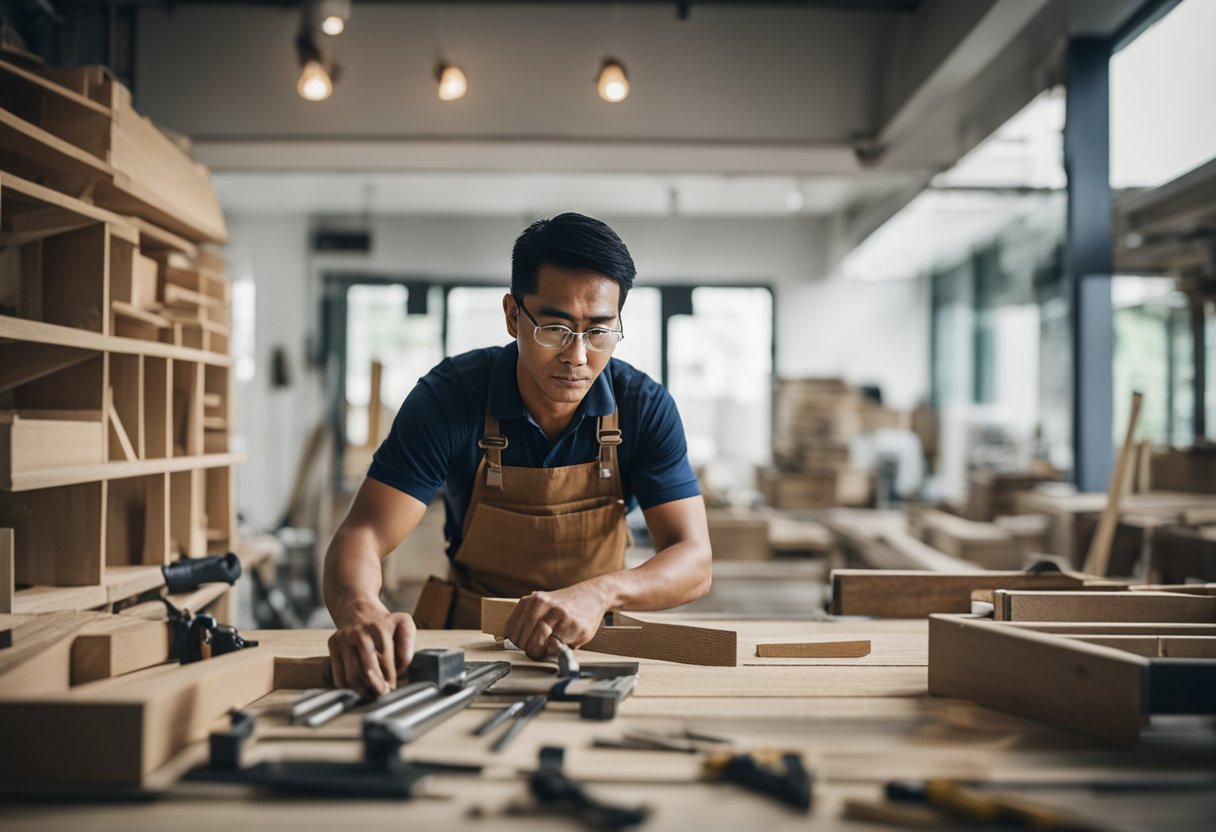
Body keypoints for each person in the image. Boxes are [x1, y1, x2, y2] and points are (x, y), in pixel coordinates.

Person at [323, 213, 712, 695]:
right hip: (470, 647)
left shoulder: (643, 406)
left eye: (598, 331)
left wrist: (601, 591)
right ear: (512, 315)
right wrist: (360, 607)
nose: (577, 356)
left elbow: (694, 560)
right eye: (555, 328)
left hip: (592, 649)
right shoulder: (450, 398)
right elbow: (364, 532)